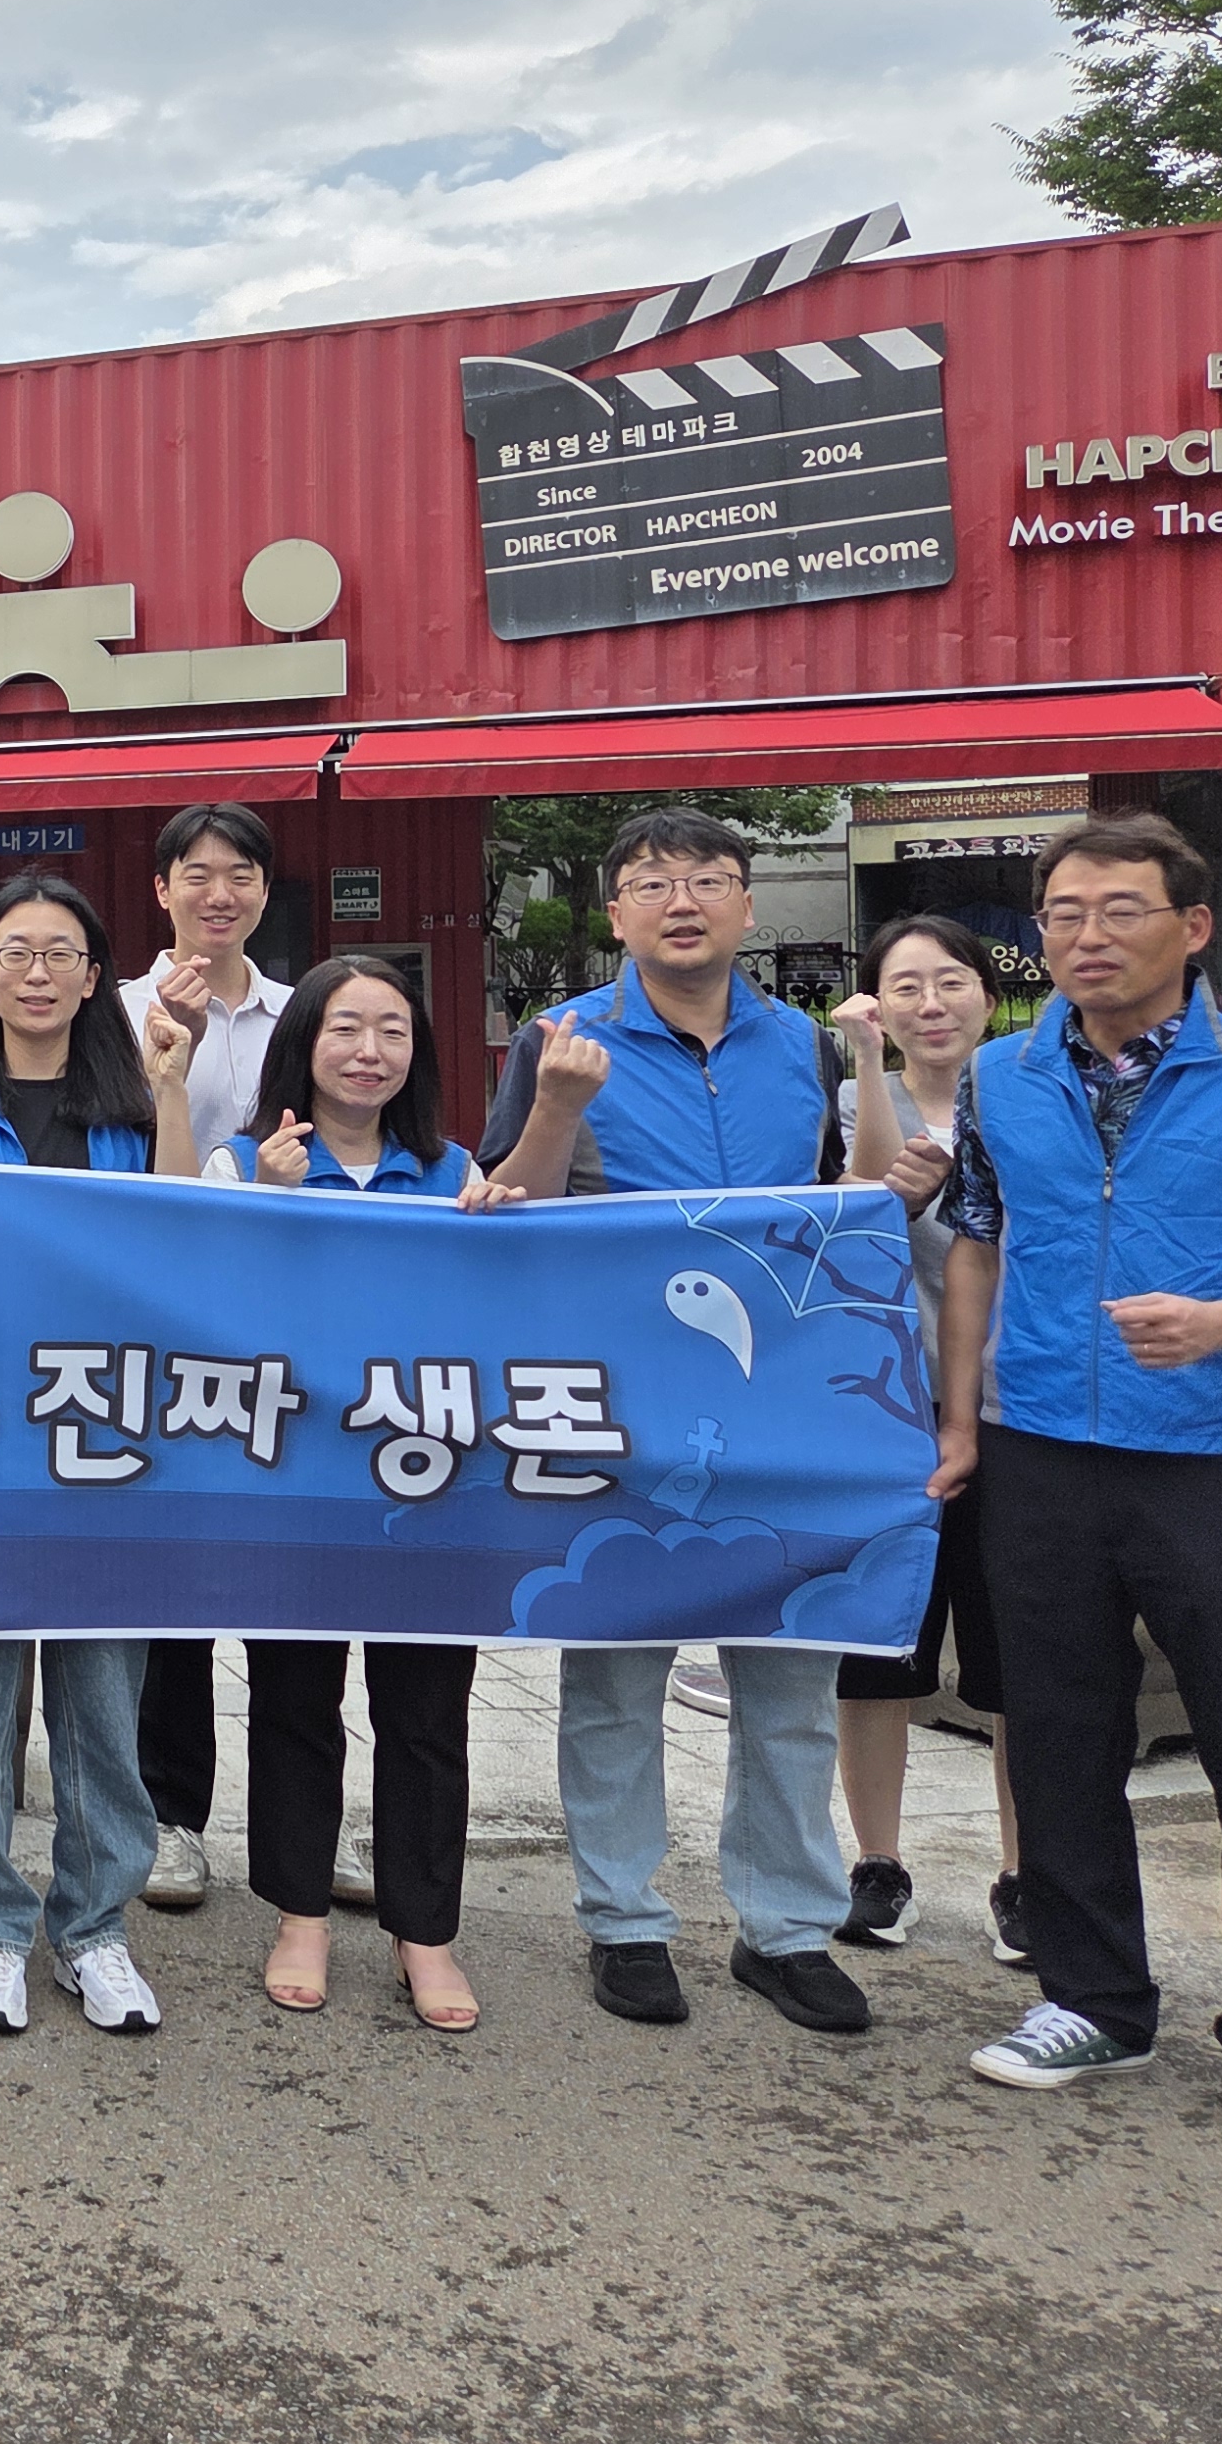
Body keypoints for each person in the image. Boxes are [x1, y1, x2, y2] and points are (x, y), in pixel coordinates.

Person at [943, 816, 1222, 2166]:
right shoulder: (1001, 1077)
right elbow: (975, 1245)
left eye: (1120, 910)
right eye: (1062, 913)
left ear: (1193, 929)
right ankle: (1093, 1999)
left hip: (1219, 1459)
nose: (1086, 936)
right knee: (1059, 1734)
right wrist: (964, 1419)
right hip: (1038, 1454)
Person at [480, 809, 874, 2037]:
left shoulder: (806, 1049)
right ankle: (624, 1919)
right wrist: (552, 1107)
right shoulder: (564, 1038)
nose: (682, 899)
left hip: (785, 1403)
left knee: (789, 1675)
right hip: (625, 1404)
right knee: (613, 1671)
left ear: (749, 906)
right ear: (615, 915)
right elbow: (504, 1214)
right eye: (651, 882)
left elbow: (846, 1214)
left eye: (708, 879)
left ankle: (788, 1928)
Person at [170, 954, 508, 2032]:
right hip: (295, 1485)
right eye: (345, 1030)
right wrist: (270, 1204)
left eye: (392, 1032)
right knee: (294, 1703)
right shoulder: (238, 1164)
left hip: (426, 1486)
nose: (369, 1052)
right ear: (302, 1046)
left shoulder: (454, 1171)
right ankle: (299, 1912)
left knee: (425, 1712)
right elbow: (204, 1316)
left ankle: (426, 1930)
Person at [0, 876, 181, 2036]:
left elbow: (184, 1239)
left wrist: (169, 1082)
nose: (38, 971)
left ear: (92, 971)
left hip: (107, 1437)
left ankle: (94, 1928)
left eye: (63, 951)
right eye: (15, 951)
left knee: (103, 1699)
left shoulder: (129, 1100)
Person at [825, 913, 1025, 1965]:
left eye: (948, 981)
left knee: (1015, 1661)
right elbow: (861, 1214)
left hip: (1018, 1418)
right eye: (903, 988)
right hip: (885, 1423)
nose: (929, 1003)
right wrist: (864, 1063)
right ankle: (878, 1866)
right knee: (877, 1656)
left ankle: (1023, 1875)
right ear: (875, 1005)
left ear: (987, 996)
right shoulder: (857, 1102)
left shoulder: (1033, 1097)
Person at [117, 806, 295, 1920]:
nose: (217, 895)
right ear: (161, 892)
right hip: (157, 1318)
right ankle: (168, 1818)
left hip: (284, 1315)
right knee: (168, 1575)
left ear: (263, 895)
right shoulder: (116, 1007)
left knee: (292, 1571)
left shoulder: (308, 1010)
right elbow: (99, 1148)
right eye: (197, 876)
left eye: (238, 877)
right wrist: (156, 1068)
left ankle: (300, 1823)